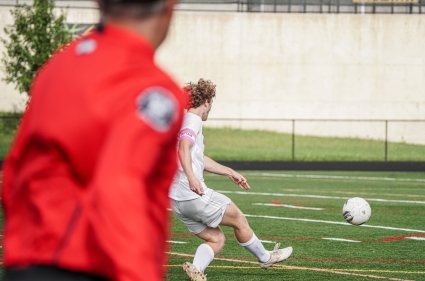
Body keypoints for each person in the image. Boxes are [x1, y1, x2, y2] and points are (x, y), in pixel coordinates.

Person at [1, 0, 186, 281]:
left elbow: (15, 170)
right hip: (88, 264)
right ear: (170, 6)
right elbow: (119, 187)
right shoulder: (152, 88)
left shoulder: (58, 66)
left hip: (26, 263)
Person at [169, 79, 293, 281]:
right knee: (238, 218)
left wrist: (229, 172)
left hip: (177, 199)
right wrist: (192, 179)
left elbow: (197, 157)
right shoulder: (193, 120)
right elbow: (183, 147)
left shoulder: (182, 121)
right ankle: (266, 257)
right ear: (207, 102)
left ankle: (196, 270)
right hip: (191, 193)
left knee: (216, 238)